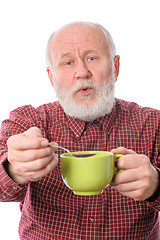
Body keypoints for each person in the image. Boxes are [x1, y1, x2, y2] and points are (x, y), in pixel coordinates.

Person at [0, 21, 160, 240]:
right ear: (51, 77)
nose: (82, 72)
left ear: (116, 67)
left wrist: (156, 187)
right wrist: (14, 168)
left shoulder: (154, 124)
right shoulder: (28, 121)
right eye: (67, 62)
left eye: (92, 58)